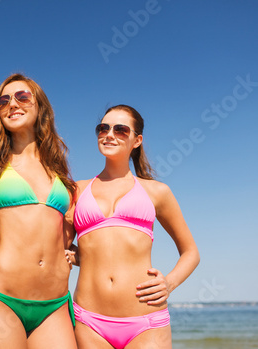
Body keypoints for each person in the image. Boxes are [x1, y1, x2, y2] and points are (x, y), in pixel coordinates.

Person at [69, 104, 200, 348]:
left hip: (146, 322)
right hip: (88, 320)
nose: (109, 134)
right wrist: (80, 255)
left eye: (120, 130)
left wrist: (168, 283)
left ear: (136, 140)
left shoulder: (157, 192)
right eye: (103, 128)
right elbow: (60, 247)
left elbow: (191, 252)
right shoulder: (77, 190)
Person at [0, 73, 78, 348]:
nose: (12, 104)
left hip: (55, 304)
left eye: (22, 97)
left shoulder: (59, 169)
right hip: (3, 299)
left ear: (39, 105)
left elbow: (69, 236)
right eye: (3, 100)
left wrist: (78, 252)